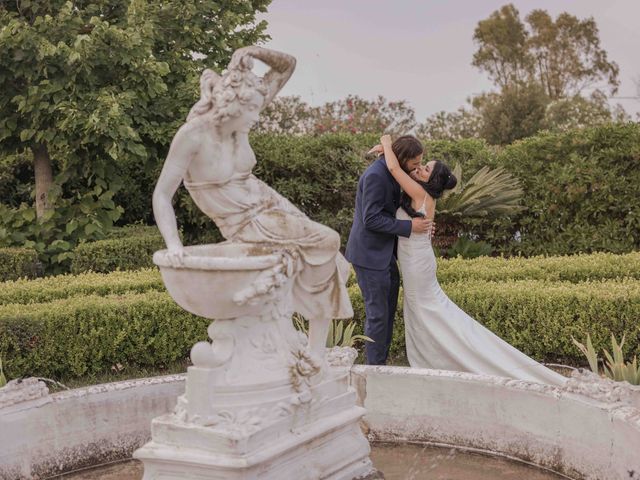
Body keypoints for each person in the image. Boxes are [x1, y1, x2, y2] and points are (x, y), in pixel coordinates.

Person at [152, 46, 352, 361]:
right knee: (328, 240)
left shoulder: (242, 113)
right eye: (253, 111)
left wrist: (252, 52)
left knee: (332, 257)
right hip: (245, 221)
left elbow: (288, 65)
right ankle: (314, 351)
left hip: (270, 203)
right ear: (233, 106)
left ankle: (309, 348)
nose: (258, 117)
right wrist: (173, 243)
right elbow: (163, 194)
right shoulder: (192, 136)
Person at [373, 134, 566, 385]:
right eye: (421, 165)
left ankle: (444, 360)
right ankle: (431, 361)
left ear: (432, 181)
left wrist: (387, 143)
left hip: (417, 264)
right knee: (424, 311)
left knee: (428, 311)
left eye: (425, 168)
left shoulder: (420, 194)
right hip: (416, 259)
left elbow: (393, 167)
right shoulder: (418, 195)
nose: (419, 169)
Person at [345, 135, 433, 365]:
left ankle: (380, 363)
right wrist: (409, 226)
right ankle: (374, 369)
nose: (416, 167)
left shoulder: (393, 170)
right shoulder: (376, 176)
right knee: (377, 314)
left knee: (387, 311)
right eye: (415, 163)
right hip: (369, 254)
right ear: (402, 158)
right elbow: (371, 218)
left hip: (385, 253)